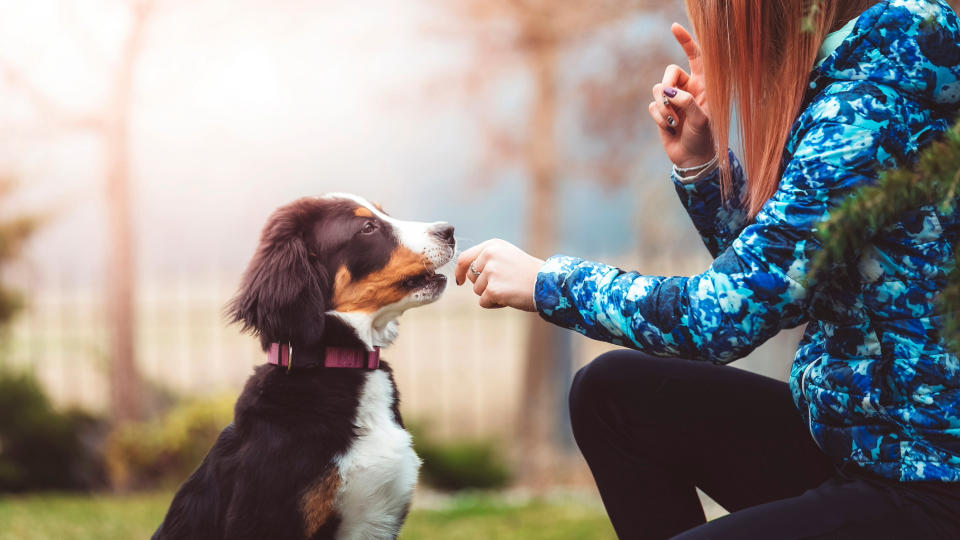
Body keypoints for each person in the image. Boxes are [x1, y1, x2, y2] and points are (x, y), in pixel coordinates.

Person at [455, 0, 960, 538]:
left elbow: (724, 316)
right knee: (612, 394)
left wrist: (545, 282)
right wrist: (702, 167)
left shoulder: (869, 105)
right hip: (860, 440)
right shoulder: (873, 73)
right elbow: (788, 285)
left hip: (925, 480)